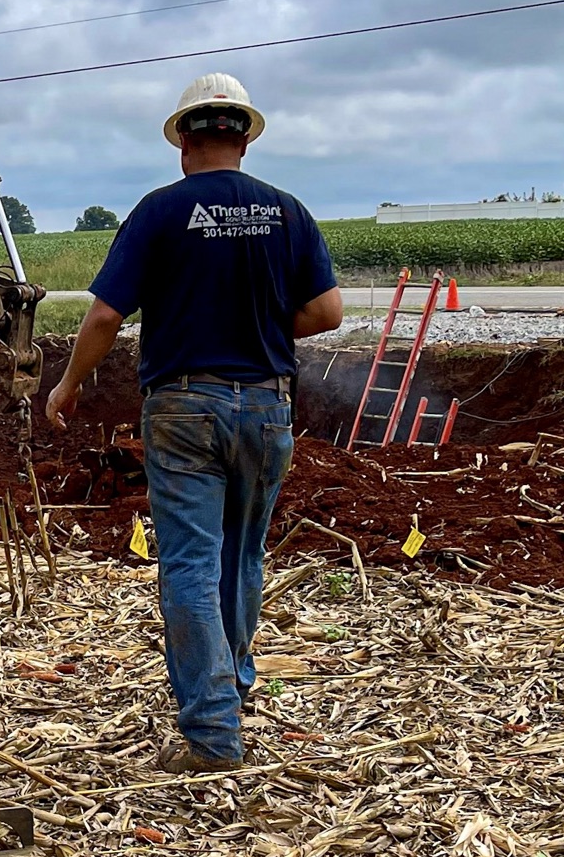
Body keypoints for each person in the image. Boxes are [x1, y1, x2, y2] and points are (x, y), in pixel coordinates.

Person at [45, 74, 343, 773]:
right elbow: (328, 313)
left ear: (184, 142)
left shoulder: (158, 212)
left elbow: (105, 317)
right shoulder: (287, 211)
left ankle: (212, 736)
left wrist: (67, 384)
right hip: (267, 407)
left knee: (188, 562)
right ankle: (232, 689)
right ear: (242, 138)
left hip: (183, 409)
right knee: (243, 556)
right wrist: (261, 324)